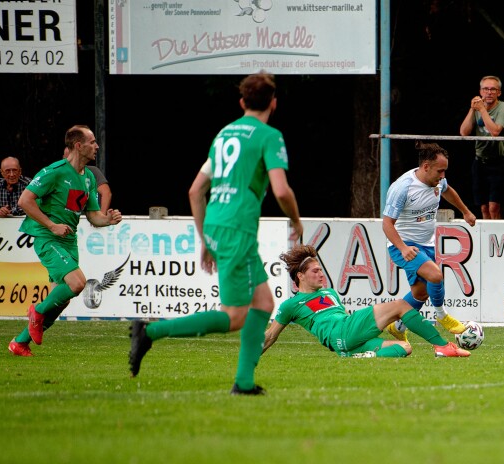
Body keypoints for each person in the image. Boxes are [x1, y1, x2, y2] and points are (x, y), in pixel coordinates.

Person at [128, 71, 304, 395]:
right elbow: (281, 190)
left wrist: (205, 239)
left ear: (241, 102)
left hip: (219, 225)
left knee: (263, 302)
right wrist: (295, 219)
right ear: (274, 103)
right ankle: (150, 332)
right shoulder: (268, 136)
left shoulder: (223, 135)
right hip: (237, 227)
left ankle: (245, 383)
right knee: (235, 316)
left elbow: (196, 190)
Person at [6, 125, 123, 357]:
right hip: (47, 238)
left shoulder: (88, 177)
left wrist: (107, 220)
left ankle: (19, 343)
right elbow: (25, 200)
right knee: (78, 283)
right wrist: (52, 225)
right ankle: (36, 311)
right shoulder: (55, 171)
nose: (96, 146)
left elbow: (93, 216)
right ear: (78, 146)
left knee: (61, 301)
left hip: (68, 242)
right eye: (92, 142)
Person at [261, 245, 470, 358]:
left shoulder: (330, 293)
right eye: (315, 271)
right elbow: (270, 336)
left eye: (321, 270)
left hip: (344, 344)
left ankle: (361, 356)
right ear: (300, 276)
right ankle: (442, 346)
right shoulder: (291, 305)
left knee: (405, 347)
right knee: (400, 306)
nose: (321, 274)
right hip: (341, 332)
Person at [381, 142, 476, 342]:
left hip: (427, 244)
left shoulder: (438, 182)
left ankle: (396, 326)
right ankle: (441, 315)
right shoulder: (402, 188)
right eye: (440, 171)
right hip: (405, 246)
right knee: (435, 275)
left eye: (445, 171)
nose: (442, 176)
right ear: (426, 166)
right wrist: (403, 248)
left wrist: (465, 211)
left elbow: (448, 190)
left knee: (420, 293)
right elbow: (387, 224)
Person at [459, 75, 504, 220]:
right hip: (480, 160)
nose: (489, 92)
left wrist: (482, 110)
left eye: (493, 89)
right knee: (483, 207)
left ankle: (496, 236)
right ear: (480, 91)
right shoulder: (477, 108)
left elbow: (495, 131)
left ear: (499, 92)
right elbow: (464, 132)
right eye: (485, 89)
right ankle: (486, 237)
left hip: (500, 160)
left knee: (494, 207)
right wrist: (472, 109)